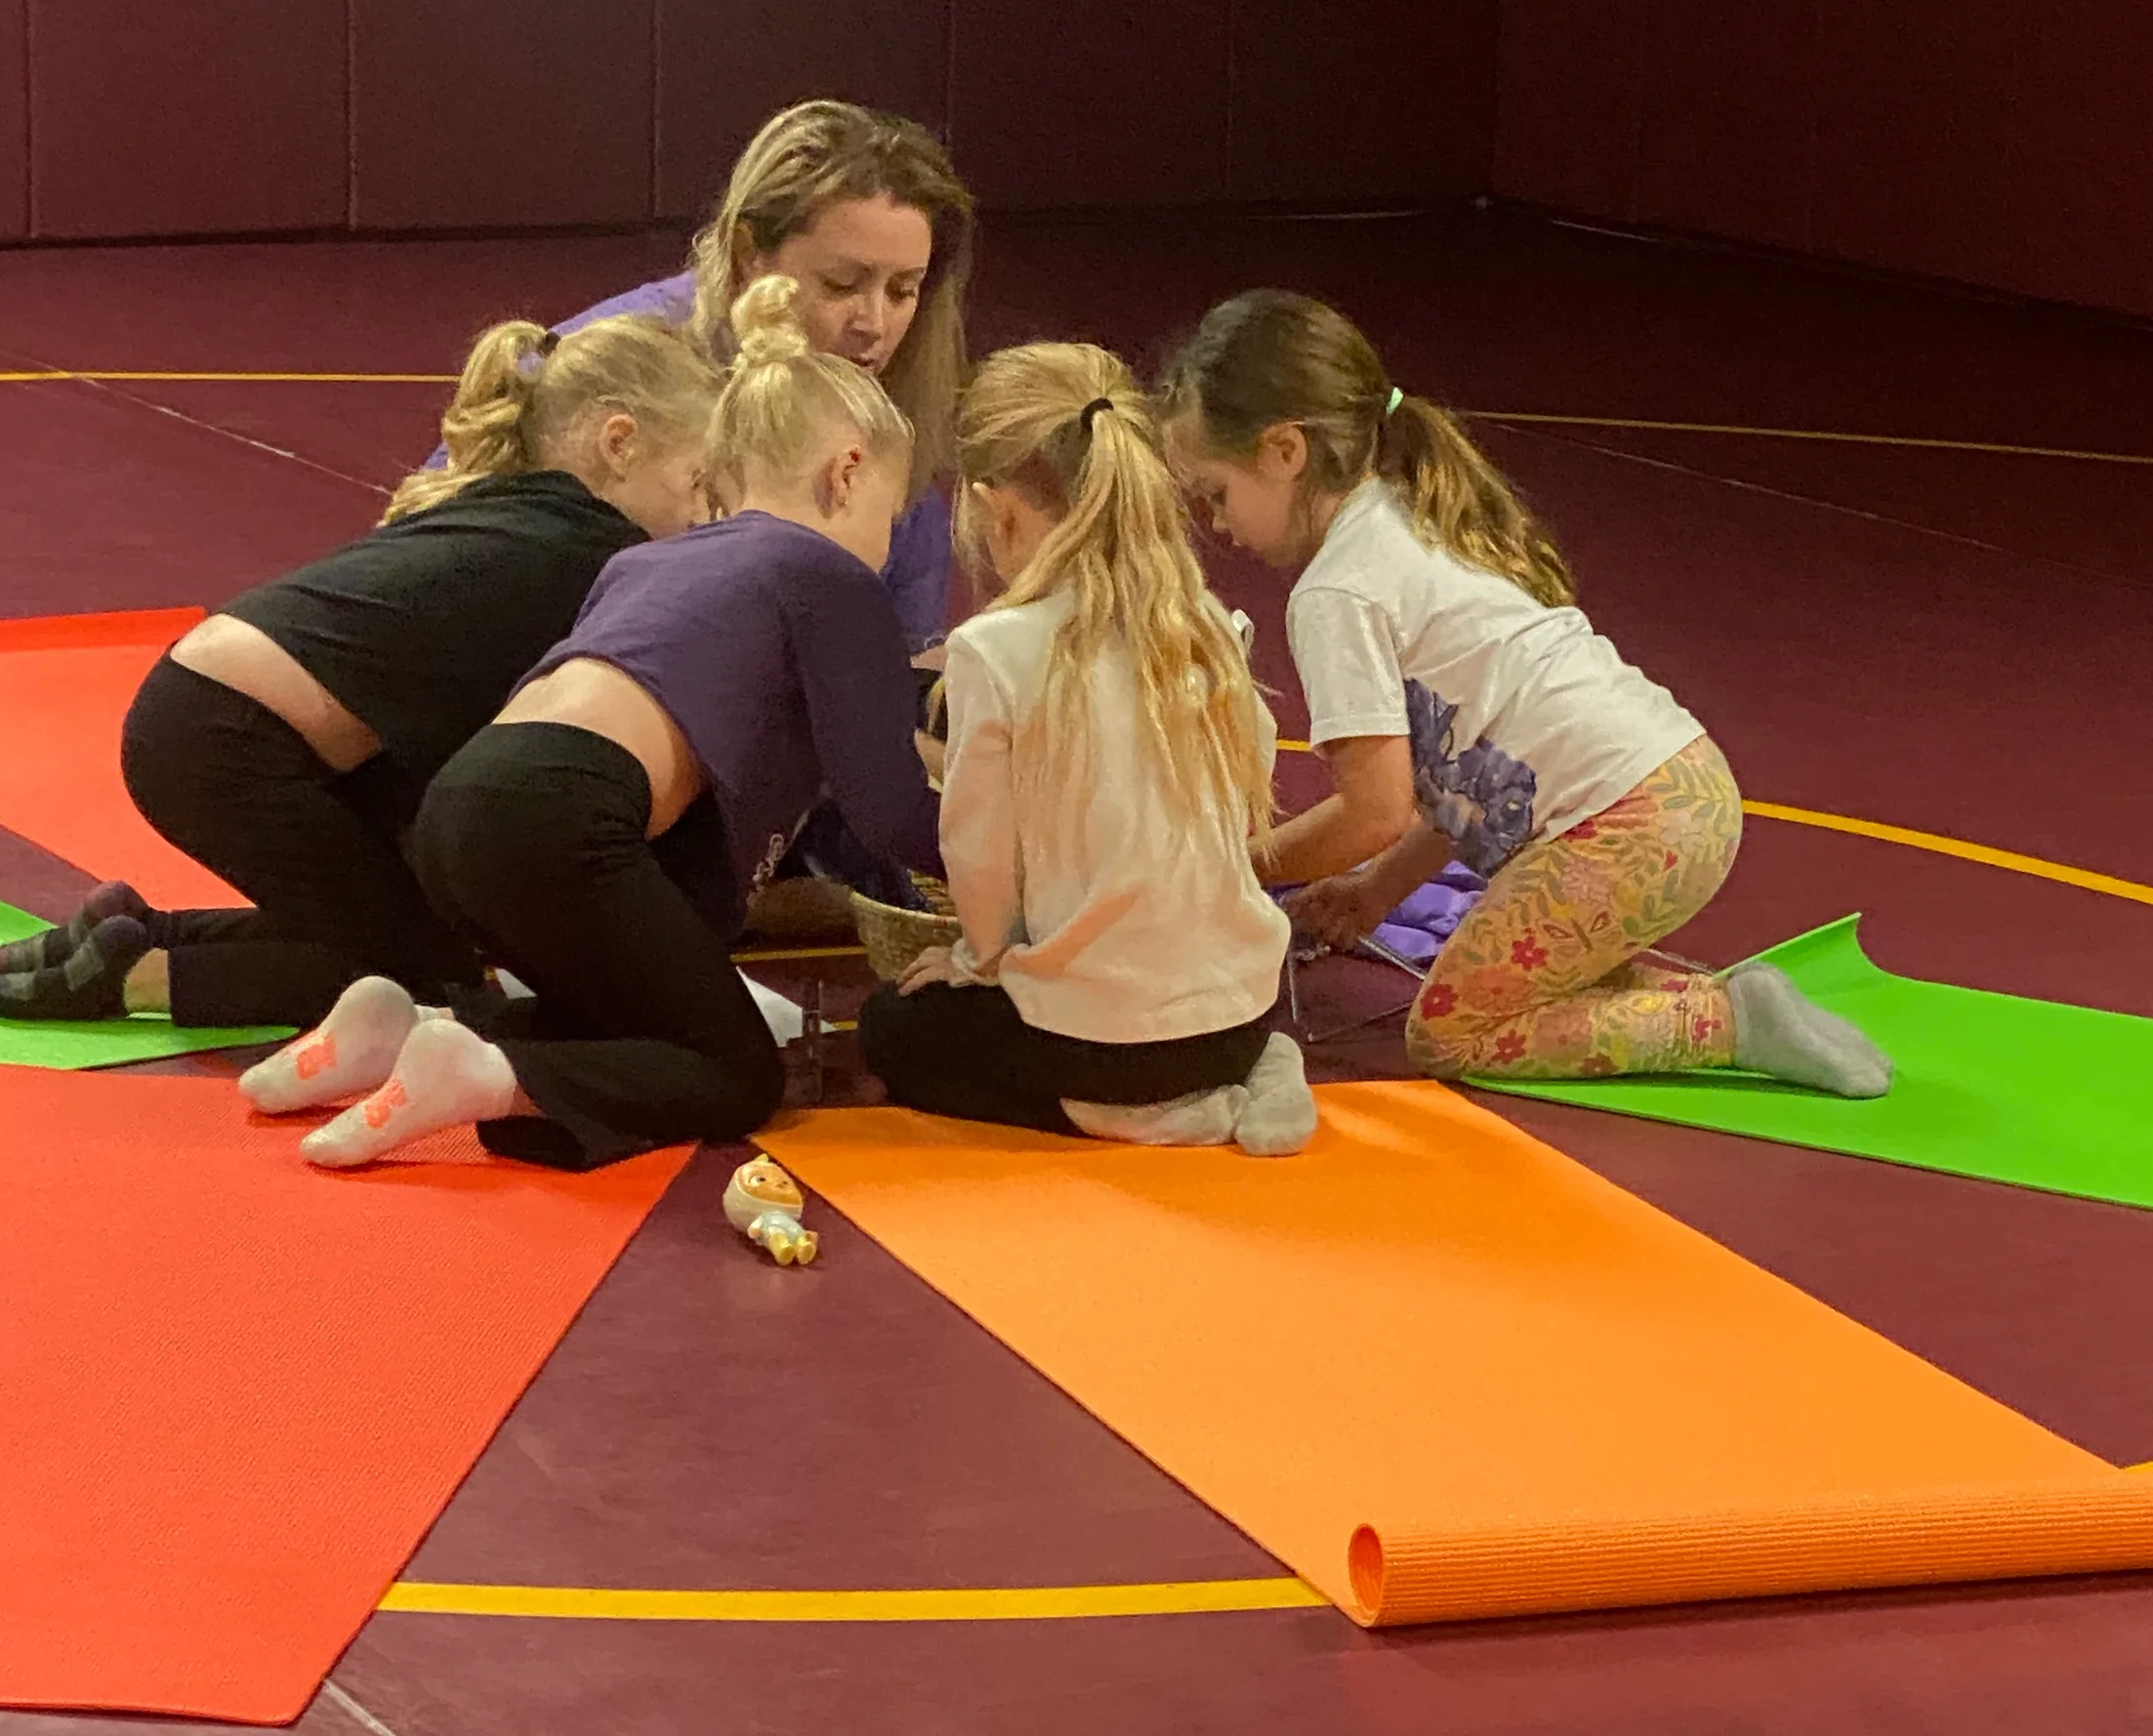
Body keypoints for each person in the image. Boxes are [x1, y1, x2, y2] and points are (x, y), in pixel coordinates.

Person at [247, 276, 941, 1172]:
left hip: (462, 805)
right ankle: (485, 1072)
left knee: (628, 1016)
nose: (887, 544)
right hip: (557, 809)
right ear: (848, 470)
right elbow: (883, 806)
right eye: (890, 514)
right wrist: (1016, 871)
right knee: (736, 1073)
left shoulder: (659, 561)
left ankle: (410, 1029)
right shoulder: (830, 576)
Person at [1158, 290, 1891, 1095]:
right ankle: (1737, 1005)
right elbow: (1471, 778)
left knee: (1454, 1030)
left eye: (1216, 493)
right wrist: (1378, 889)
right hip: (1680, 789)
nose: (1215, 524)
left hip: (1628, 822)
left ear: (1285, 451)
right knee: (1515, 979)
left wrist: (1234, 867)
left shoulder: (1336, 592)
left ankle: (1725, 1022)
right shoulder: (1413, 512)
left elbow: (1376, 810)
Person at [0, 314, 718, 1034]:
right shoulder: (597, 551)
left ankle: (136, 930)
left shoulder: (513, 509)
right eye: (699, 485)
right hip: (226, 742)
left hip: (202, 709)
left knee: (395, 921)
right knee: (427, 984)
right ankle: (137, 978)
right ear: (619, 443)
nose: (706, 517)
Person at [857, 344, 1317, 1154]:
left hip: (1108, 1050)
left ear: (997, 510)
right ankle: (1256, 1067)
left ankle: (1143, 1111)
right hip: (1244, 1012)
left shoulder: (994, 650)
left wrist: (975, 959)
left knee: (892, 1028)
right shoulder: (1203, 622)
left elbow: (979, 858)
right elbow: (1251, 780)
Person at [544, 97, 973, 655]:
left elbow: (903, 664)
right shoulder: (604, 367)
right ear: (748, 254)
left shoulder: (894, 461)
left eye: (903, 291)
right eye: (842, 283)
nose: (874, 324)